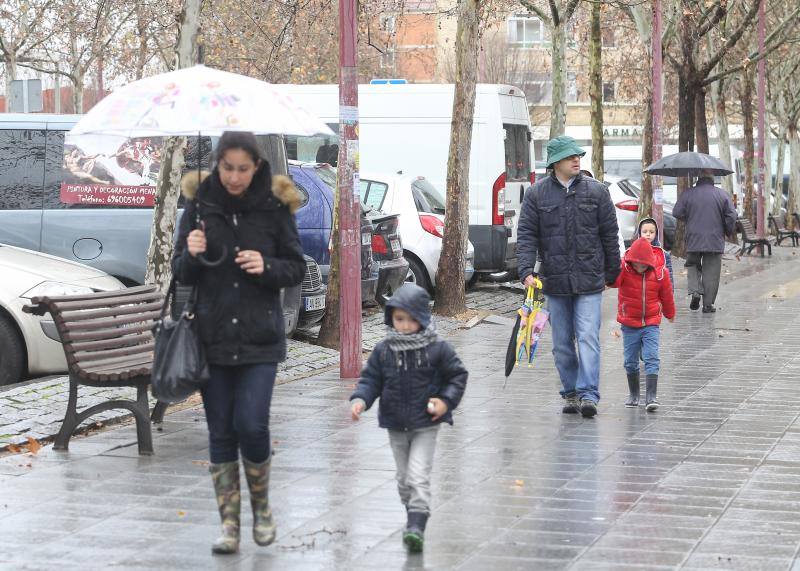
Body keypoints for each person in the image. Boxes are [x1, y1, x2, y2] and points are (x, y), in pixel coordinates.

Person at [172, 131, 307, 555]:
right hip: (211, 337)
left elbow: (296, 268)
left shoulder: (274, 205)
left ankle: (262, 507)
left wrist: (265, 265)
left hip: (259, 337)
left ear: (257, 167)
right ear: (218, 164)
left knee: (252, 424)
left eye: (242, 169)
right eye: (227, 167)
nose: (233, 177)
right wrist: (191, 252)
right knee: (221, 431)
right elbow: (180, 271)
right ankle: (229, 525)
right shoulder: (199, 206)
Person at [349, 284, 467, 553]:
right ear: (391, 317)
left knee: (417, 475)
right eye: (399, 319)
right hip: (395, 424)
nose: (404, 326)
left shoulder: (437, 348)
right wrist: (360, 400)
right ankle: (412, 512)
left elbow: (457, 376)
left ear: (423, 319)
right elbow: (371, 380)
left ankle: (416, 525)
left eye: (412, 320)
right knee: (403, 480)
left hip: (426, 423)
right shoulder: (383, 350)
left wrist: (445, 401)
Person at [517, 135, 621, 418]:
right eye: (569, 156)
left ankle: (589, 394)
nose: (576, 160)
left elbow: (610, 235)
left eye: (578, 156)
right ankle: (571, 392)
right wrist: (526, 271)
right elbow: (526, 235)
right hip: (554, 281)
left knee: (588, 337)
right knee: (562, 344)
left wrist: (614, 271)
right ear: (555, 163)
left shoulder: (597, 192)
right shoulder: (537, 195)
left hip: (589, 280)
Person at [610, 237, 675, 411]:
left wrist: (670, 314)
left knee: (651, 357)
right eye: (636, 265)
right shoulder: (625, 269)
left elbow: (667, 295)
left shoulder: (660, 273)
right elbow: (613, 281)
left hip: (651, 323)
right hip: (630, 323)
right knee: (630, 360)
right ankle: (634, 394)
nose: (639, 268)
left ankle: (651, 396)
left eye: (643, 265)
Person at [672, 170, 737, 313]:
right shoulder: (722, 194)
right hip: (714, 239)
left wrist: (689, 216)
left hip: (694, 238)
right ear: (712, 179)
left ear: (698, 179)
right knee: (711, 271)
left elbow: (676, 212)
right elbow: (732, 215)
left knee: (692, 265)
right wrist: (727, 230)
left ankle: (695, 292)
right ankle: (707, 305)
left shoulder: (689, 193)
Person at [636, 217, 674, 288]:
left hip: (656, 293)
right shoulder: (634, 253)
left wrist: (670, 293)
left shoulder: (664, 254)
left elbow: (669, 276)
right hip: (638, 292)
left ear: (656, 234)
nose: (648, 234)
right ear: (639, 233)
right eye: (645, 232)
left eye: (651, 232)